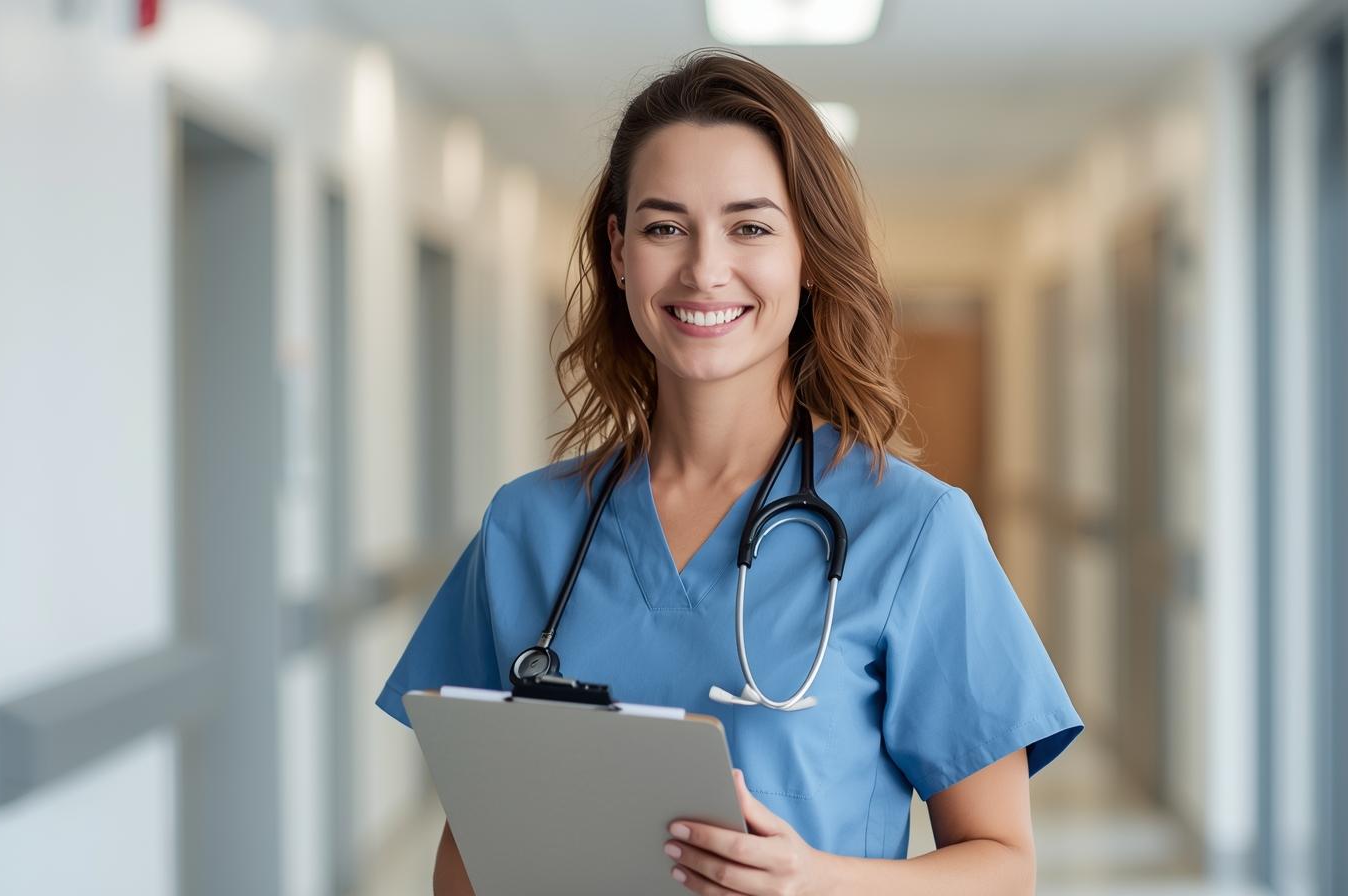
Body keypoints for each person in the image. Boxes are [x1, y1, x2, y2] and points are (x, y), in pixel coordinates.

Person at [377, 48, 1082, 894]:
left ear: (808, 255)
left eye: (750, 227)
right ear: (619, 251)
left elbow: (1004, 867)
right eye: (664, 227)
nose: (705, 269)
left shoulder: (912, 530)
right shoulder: (526, 528)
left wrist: (815, 881)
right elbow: (470, 850)